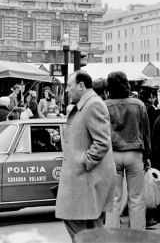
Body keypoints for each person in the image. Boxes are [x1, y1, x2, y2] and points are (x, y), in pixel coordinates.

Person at [56, 70, 116, 242]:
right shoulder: (89, 104)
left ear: (81, 86)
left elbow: (103, 142)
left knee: (78, 223)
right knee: (91, 227)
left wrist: (84, 161)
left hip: (87, 178)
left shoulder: (93, 104)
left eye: (69, 86)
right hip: (86, 178)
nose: (67, 90)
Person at [105, 71, 151, 230]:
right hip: (134, 152)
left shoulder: (105, 105)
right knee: (136, 198)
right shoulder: (138, 104)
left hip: (112, 154)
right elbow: (146, 132)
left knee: (114, 199)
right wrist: (147, 155)